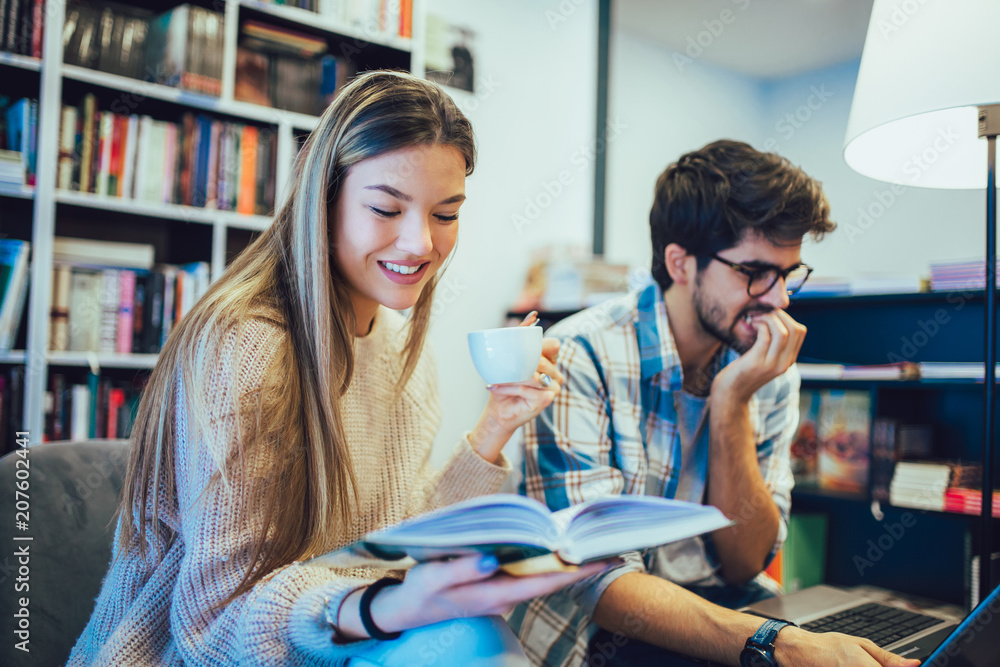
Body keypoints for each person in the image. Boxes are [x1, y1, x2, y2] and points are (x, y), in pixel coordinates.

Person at [67, 71, 612, 667]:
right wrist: (379, 607)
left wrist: (495, 426)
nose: (419, 243)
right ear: (322, 200)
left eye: (446, 214)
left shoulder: (398, 340)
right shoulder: (247, 347)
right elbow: (210, 625)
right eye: (385, 208)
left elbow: (388, 540)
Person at [508, 140, 921, 667]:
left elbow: (745, 561)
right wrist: (779, 643)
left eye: (789, 273)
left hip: (722, 615)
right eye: (755, 272)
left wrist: (731, 402)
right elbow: (601, 583)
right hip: (593, 641)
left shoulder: (763, 367)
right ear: (681, 263)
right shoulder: (580, 356)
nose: (779, 299)